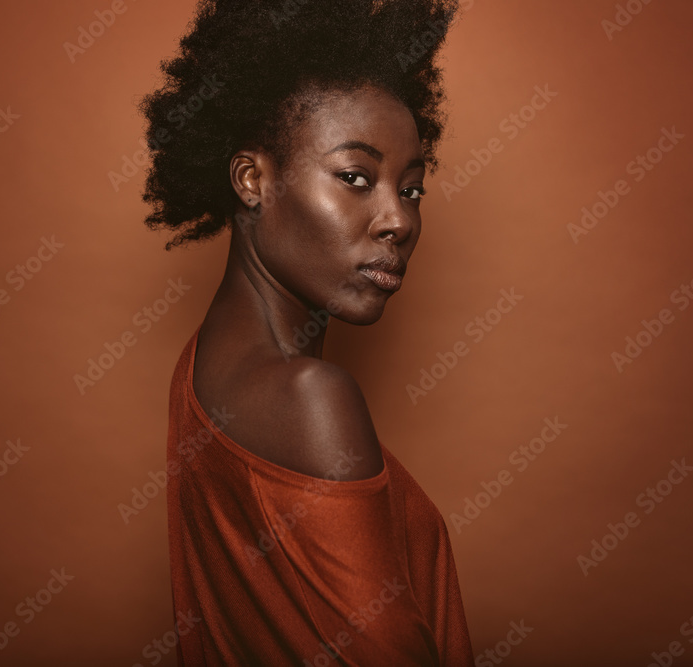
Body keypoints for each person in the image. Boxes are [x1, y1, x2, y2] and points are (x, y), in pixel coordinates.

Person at [141, 0, 475, 664]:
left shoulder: (203, 366)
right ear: (252, 178)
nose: (398, 222)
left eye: (411, 189)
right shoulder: (309, 395)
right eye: (356, 177)